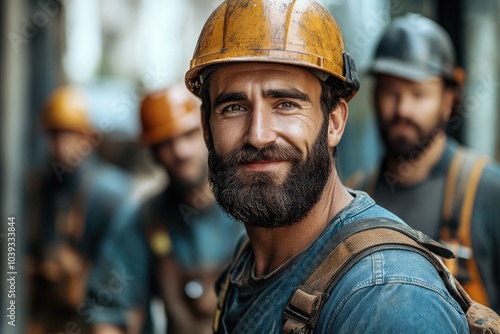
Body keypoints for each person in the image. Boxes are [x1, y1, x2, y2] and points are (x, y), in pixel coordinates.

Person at [183, 1, 469, 332]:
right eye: (233, 107)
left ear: (334, 122)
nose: (258, 135)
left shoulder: (388, 298)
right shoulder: (248, 260)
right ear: (206, 127)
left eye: (286, 104)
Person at [345, 13, 500, 313]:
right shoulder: (352, 197)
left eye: (418, 94)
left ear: (448, 99)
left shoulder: (489, 192)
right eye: (391, 92)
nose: (402, 109)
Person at [87, 84, 244, 334]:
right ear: (152, 153)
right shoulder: (145, 221)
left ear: (208, 132)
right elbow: (107, 312)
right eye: (166, 142)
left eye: (188, 135)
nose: (180, 151)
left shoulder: (250, 208)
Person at [25, 85, 132, 334]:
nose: (62, 144)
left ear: (89, 138)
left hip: (96, 317)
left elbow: (127, 271)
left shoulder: (110, 192)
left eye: (70, 134)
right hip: (54, 313)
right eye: (55, 134)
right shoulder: (45, 186)